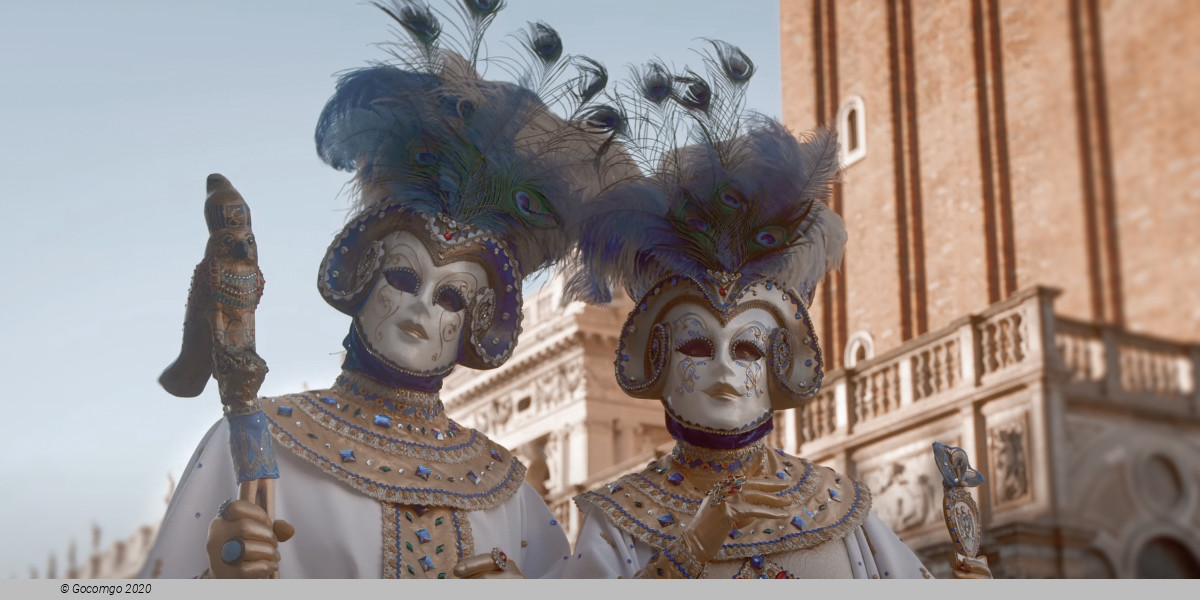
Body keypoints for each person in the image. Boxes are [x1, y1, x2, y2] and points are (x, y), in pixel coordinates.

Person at [139, 0, 630, 579]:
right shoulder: (255, 442)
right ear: (362, 274)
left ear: (476, 322)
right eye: (404, 277)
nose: (423, 304)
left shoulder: (506, 494)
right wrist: (216, 581)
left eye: (451, 296)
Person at [559, 42, 935, 579]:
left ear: (776, 358)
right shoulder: (621, 519)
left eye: (747, 347)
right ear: (659, 357)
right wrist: (686, 554)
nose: (725, 369)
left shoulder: (840, 506)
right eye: (695, 344)